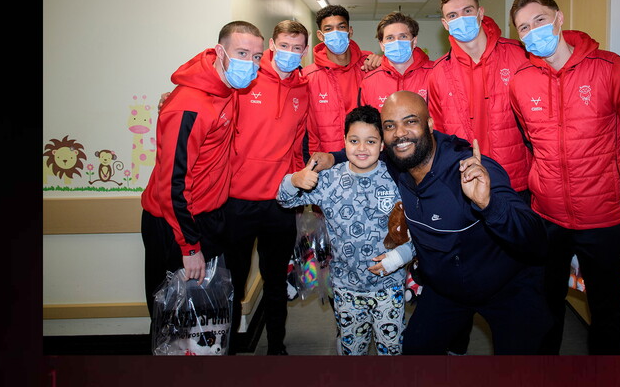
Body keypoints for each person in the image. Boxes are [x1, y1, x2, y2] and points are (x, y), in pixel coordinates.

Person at [507, 0, 620, 355]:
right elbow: (532, 142)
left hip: (604, 216)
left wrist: (610, 180)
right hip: (548, 216)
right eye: (523, 28)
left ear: (558, 18)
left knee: (607, 311)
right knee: (544, 307)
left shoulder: (612, 69)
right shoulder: (520, 81)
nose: (532, 31)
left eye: (539, 20)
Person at [378, 91, 551, 355]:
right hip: (446, 288)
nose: (400, 133)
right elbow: (361, 153)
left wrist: (489, 204)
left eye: (410, 121)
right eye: (390, 126)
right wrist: (334, 158)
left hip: (506, 287)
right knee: (415, 352)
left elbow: (536, 238)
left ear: (430, 124)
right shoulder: (396, 163)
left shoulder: (471, 168)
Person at [140, 21, 264, 325]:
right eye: (242, 53)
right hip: (178, 225)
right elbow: (173, 184)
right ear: (220, 52)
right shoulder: (189, 105)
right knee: (174, 319)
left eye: (257, 56)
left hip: (211, 217)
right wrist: (190, 246)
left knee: (207, 316)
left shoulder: (228, 89)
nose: (251, 63)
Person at [277, 105, 415, 355]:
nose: (362, 148)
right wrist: (294, 180)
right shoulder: (329, 179)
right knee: (353, 351)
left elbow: (417, 226)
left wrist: (401, 257)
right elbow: (284, 200)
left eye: (371, 141)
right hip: (346, 288)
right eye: (354, 140)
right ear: (344, 141)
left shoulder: (397, 179)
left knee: (392, 351)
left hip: (389, 286)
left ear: (382, 144)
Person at [222, 19, 311, 356]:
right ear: (272, 45)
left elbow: (296, 146)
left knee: (275, 282)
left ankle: (276, 347)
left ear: (305, 50)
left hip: (278, 204)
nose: (289, 53)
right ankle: (227, 351)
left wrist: (295, 193)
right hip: (237, 202)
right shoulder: (246, 78)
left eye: (297, 47)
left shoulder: (302, 90)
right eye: (284, 46)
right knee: (232, 284)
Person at [427, 0, 532, 198]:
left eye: (467, 11)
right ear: (445, 24)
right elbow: (438, 134)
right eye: (453, 15)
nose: (461, 19)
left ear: (480, 13)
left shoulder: (519, 55)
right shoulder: (438, 72)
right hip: (465, 181)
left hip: (515, 181)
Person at [304, 5, 373, 155]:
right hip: (328, 161)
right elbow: (308, 129)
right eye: (328, 29)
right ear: (320, 36)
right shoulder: (308, 77)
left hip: (368, 158)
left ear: (350, 31)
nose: (335, 33)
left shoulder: (370, 66)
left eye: (341, 27)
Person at [359, 12, 434, 110]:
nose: (397, 42)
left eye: (403, 36)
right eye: (390, 38)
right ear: (382, 45)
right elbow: (366, 123)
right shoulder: (369, 82)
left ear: (414, 41)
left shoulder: (435, 72)